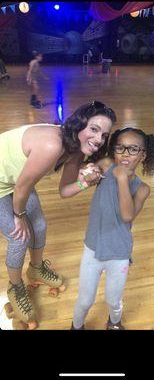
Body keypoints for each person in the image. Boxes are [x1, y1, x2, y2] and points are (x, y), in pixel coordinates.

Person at [0, 101, 116, 329]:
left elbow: (64, 191)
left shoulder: (74, 149)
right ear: (80, 123)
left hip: (12, 180)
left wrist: (84, 183)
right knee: (18, 235)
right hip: (7, 184)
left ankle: (35, 269)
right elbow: (23, 188)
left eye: (104, 135)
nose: (99, 139)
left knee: (40, 225)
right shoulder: (52, 144)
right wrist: (18, 215)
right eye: (94, 129)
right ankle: (15, 287)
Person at [71, 127, 154, 330]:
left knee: (113, 300)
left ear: (143, 154)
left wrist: (122, 179)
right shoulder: (106, 165)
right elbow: (90, 169)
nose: (126, 154)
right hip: (93, 248)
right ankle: (76, 326)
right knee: (85, 300)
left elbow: (127, 215)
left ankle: (114, 322)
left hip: (119, 253)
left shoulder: (142, 189)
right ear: (114, 150)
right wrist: (88, 171)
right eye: (121, 148)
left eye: (133, 149)